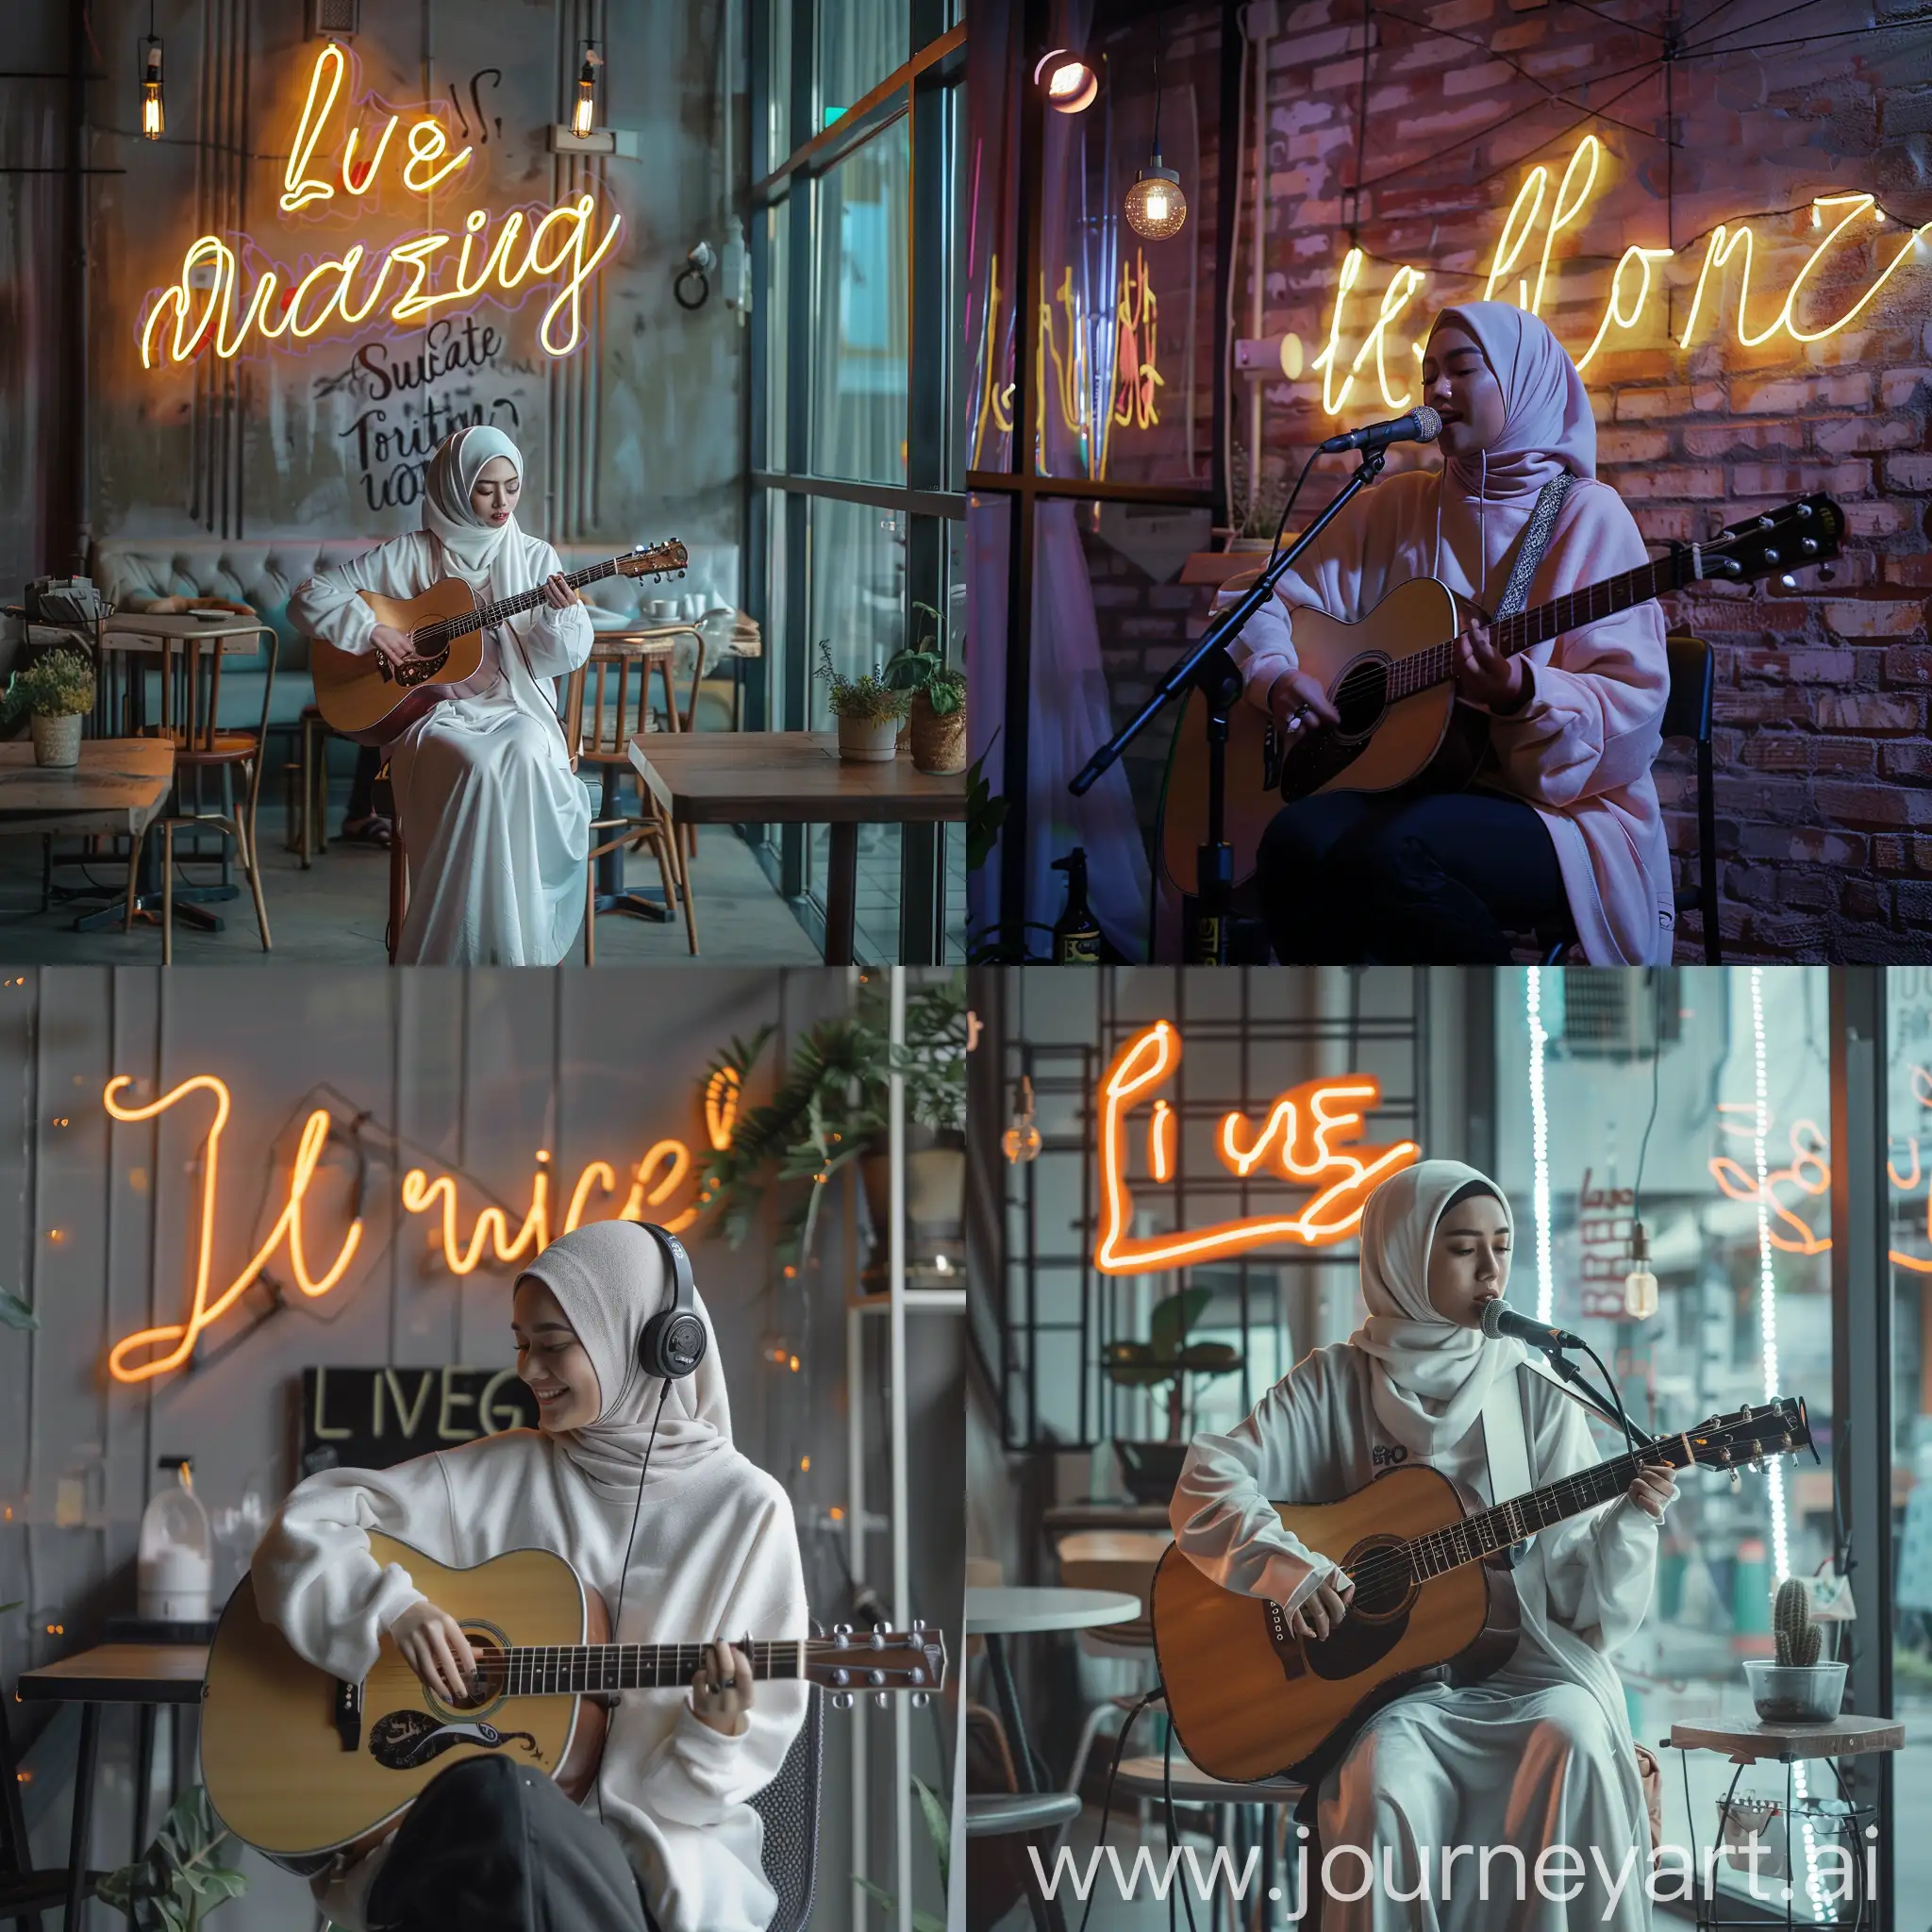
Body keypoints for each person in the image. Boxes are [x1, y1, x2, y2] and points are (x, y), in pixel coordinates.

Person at [251, 1221, 809, 1932]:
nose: (527, 1371)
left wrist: (715, 1731)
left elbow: (683, 1805)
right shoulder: (497, 1472)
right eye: (521, 1345)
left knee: (510, 1816)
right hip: (463, 1853)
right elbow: (299, 1532)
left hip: (639, 1871)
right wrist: (393, 1611)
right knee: (498, 1803)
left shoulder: (745, 1513)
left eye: (552, 1346)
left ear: (649, 1342)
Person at [1169, 1161, 1674, 1930]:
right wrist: (1289, 1571)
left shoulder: (1536, 1391)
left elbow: (1581, 1604)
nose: (1491, 1269)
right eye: (1464, 1248)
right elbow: (1207, 1477)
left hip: (1528, 1676)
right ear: (1402, 1257)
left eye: (1502, 1246)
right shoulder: (1332, 1384)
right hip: (1390, 1694)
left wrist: (1631, 1520)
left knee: (1572, 1736)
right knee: (1381, 1778)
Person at [1226, 303, 1673, 965]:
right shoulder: (1397, 504)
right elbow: (1253, 599)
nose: (1436, 390)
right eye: (1428, 373)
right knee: (1295, 840)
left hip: (1560, 815)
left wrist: (1523, 690)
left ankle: (1488, 1049)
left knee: (1391, 854)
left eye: (1462, 370)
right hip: (1412, 789)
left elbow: (1632, 716)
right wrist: (1275, 675)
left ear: (1524, 385)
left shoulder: (1586, 516)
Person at [291, 426, 594, 964]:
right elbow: (309, 597)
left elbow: (554, 659)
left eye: (512, 486)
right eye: (485, 488)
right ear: (454, 488)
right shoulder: (409, 555)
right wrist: (370, 630)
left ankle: (510, 944)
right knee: (478, 767)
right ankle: (461, 949)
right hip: (437, 717)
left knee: (525, 752)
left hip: (513, 709)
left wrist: (559, 614)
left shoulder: (534, 555)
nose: (502, 502)